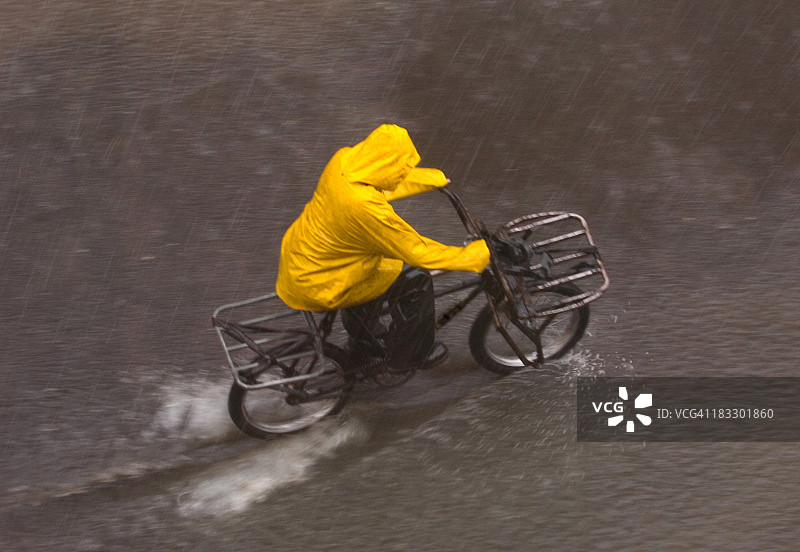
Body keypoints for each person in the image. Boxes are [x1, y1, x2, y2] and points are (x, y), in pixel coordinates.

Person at [276, 124, 491, 371]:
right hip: (323, 281)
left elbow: (380, 179)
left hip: (304, 259)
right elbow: (416, 250)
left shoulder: (344, 161)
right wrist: (474, 255)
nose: (403, 174)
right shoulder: (366, 209)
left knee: (380, 266)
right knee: (415, 279)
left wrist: (428, 178)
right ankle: (408, 356)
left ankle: (362, 339)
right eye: (402, 168)